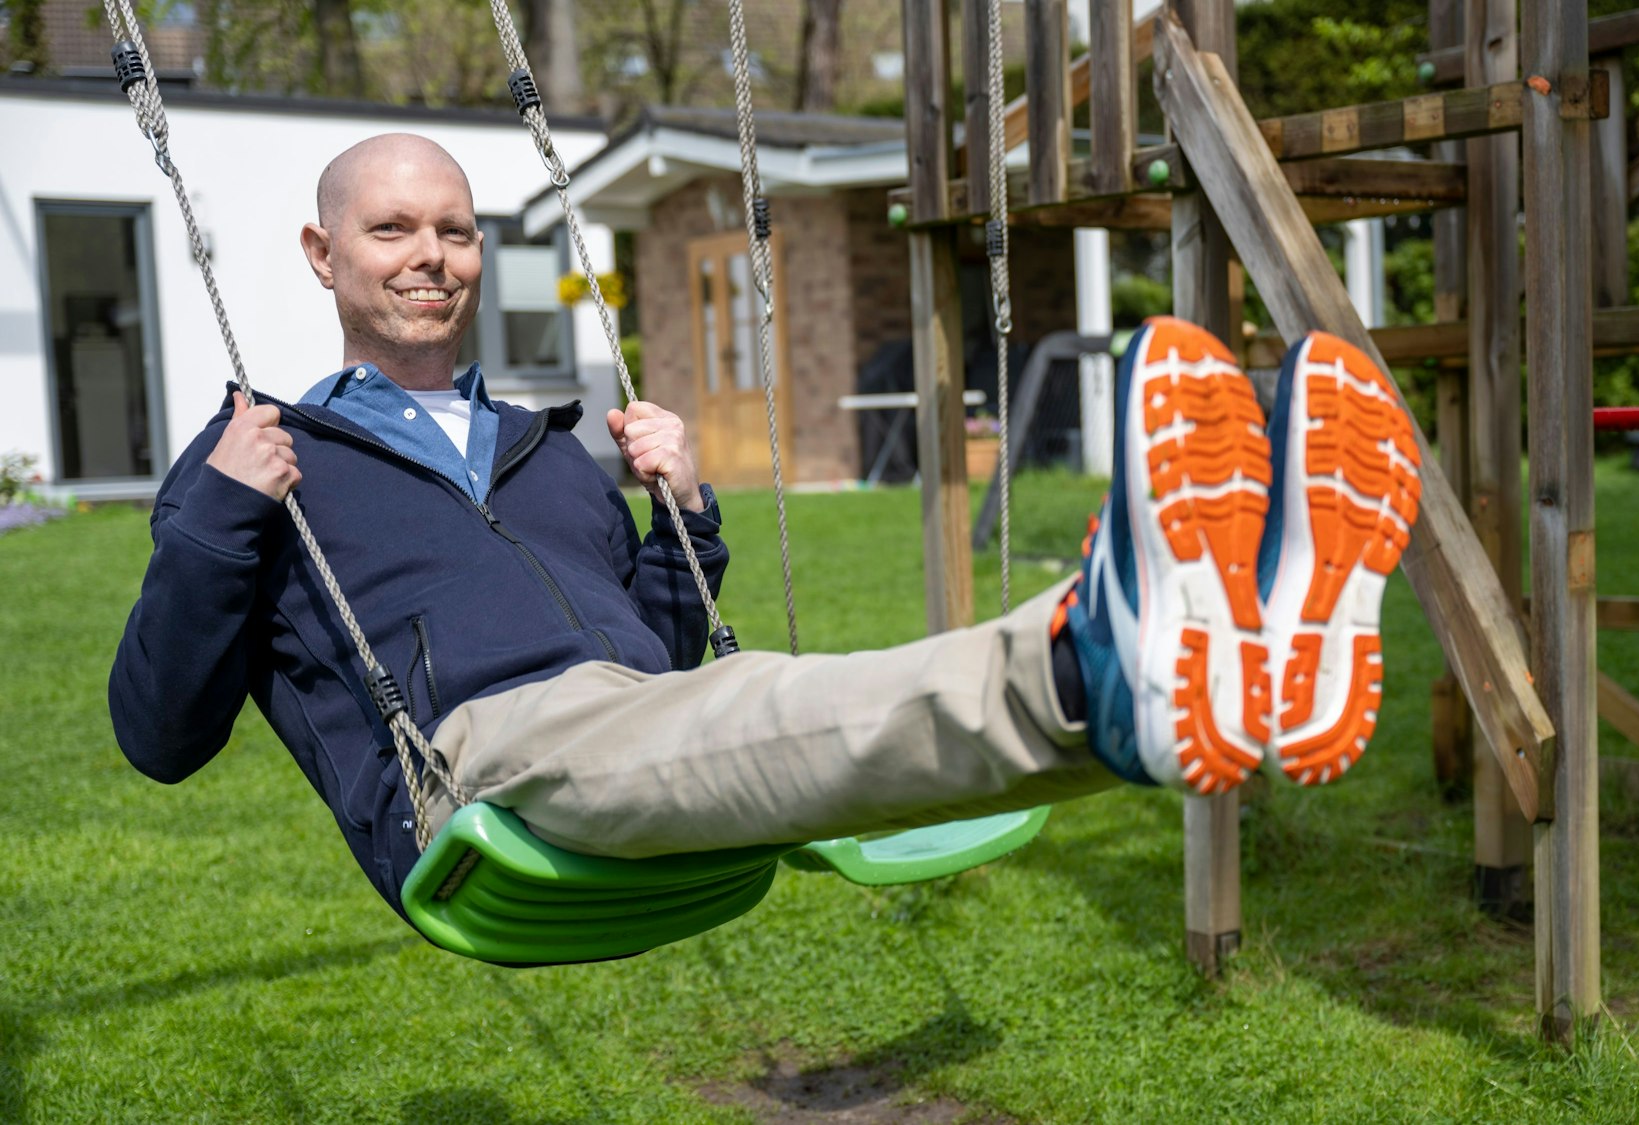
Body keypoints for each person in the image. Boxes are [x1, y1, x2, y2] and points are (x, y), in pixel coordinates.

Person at [108, 133, 1421, 925]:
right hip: (469, 779)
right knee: (747, 714)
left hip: (644, 723)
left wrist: (684, 516)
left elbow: (671, 671)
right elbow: (160, 735)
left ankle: (1230, 667)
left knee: (768, 699)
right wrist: (219, 517)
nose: (431, 254)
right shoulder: (258, 465)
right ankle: (1091, 657)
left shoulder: (560, 454)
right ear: (319, 253)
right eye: (390, 229)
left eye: (455, 229)